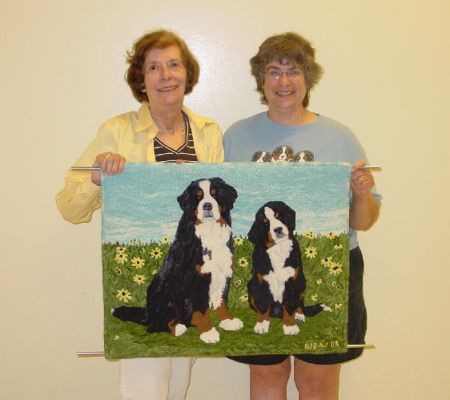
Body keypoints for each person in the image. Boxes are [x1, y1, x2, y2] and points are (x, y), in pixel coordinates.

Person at [56, 29, 224, 400]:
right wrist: (97, 179)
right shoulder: (116, 131)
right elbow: (69, 207)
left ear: (187, 73)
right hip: (144, 276)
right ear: (141, 79)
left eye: (174, 65)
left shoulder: (209, 132)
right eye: (154, 67)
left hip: (193, 276)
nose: (166, 75)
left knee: (178, 386)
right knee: (146, 390)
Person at [223, 32, 381, 400]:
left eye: (293, 71)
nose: (284, 82)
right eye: (274, 71)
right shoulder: (235, 136)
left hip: (333, 267)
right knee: (267, 374)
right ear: (261, 79)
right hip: (258, 268)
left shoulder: (340, 137)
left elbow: (363, 221)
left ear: (308, 78)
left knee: (318, 380)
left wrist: (360, 193)